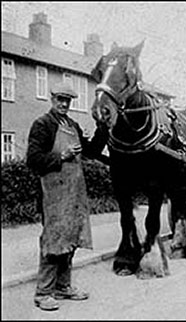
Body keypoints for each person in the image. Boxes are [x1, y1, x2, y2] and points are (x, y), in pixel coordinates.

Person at [26, 82, 108, 311]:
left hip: (73, 192)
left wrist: (102, 128)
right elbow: (33, 159)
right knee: (53, 240)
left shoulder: (72, 125)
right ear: (51, 98)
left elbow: (90, 152)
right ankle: (43, 293)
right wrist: (61, 156)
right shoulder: (42, 124)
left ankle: (63, 287)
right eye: (60, 99)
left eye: (68, 100)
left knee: (71, 237)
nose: (64, 103)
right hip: (53, 194)